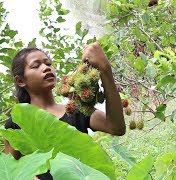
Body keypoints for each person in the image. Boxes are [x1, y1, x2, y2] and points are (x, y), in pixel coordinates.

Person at [4, 42, 126, 179]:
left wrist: (105, 70)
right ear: (20, 81)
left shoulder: (76, 110)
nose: (46, 68)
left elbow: (116, 127)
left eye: (48, 64)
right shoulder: (16, 123)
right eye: (36, 66)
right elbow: (9, 172)